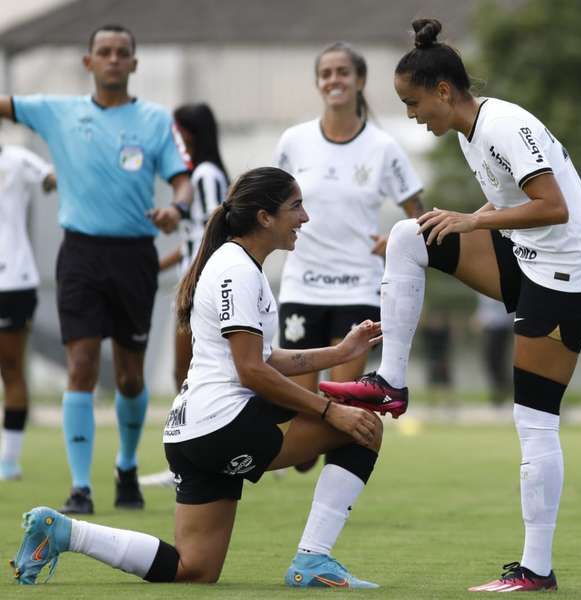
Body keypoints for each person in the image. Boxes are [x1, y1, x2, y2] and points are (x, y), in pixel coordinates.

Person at [320, 19, 581, 592]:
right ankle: (392, 383)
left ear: (443, 91)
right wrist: (464, 217)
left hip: (570, 276)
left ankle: (536, 570)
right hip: (528, 257)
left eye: (411, 103)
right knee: (412, 236)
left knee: (533, 420)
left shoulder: (504, 124)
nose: (410, 115)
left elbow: (552, 206)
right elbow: (509, 197)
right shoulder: (468, 131)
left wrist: (474, 221)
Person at [11, 166, 385, 588]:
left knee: (195, 569)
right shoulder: (237, 269)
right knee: (363, 427)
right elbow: (250, 371)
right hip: (223, 425)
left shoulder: (237, 263)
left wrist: (339, 353)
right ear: (264, 216)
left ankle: (64, 531)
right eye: (296, 206)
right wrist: (331, 410)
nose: (305, 217)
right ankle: (313, 560)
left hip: (191, 432)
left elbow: (258, 358)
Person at [0, 24, 193, 514]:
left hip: (134, 256)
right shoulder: (58, 111)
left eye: (120, 53)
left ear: (133, 64)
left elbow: (182, 180)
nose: (111, 59)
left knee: (129, 377)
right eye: (102, 52)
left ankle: (126, 466)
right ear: (88, 62)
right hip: (80, 255)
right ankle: (80, 486)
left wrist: (176, 207)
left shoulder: (153, 120)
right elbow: (6, 104)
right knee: (81, 365)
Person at [274, 41, 424, 404]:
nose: (334, 80)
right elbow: (271, 204)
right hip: (302, 287)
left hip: (358, 287)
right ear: (318, 83)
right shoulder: (294, 141)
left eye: (343, 72)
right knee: (299, 404)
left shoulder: (383, 146)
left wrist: (398, 240)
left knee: (342, 402)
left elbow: (419, 216)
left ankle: (335, 460)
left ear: (359, 80)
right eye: (326, 74)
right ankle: (305, 455)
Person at [140, 103, 229, 489]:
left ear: (190, 134)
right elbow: (193, 237)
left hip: (199, 290)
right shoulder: (195, 175)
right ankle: (194, 457)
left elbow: (214, 232)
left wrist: (197, 282)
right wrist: (156, 266)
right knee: (189, 373)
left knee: (188, 373)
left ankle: (191, 458)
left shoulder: (206, 176)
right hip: (189, 285)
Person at [0, 142, 56, 480]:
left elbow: (50, 176)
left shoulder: (16, 159)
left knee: (10, 368)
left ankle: (9, 460)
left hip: (12, 281)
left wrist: (53, 179)